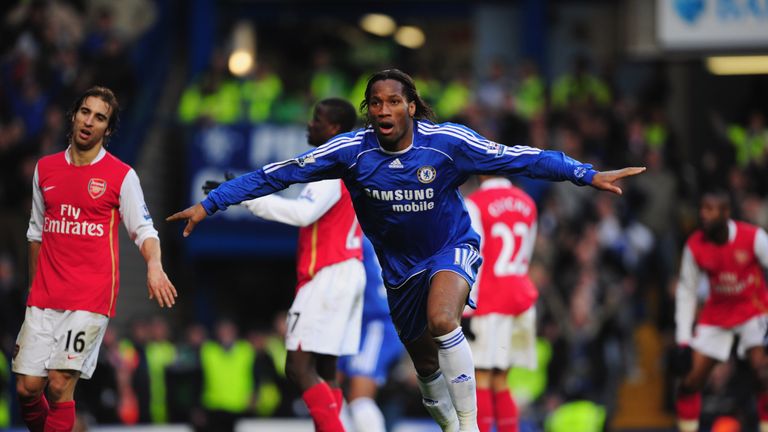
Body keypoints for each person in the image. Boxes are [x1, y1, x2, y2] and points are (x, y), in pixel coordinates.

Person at [168, 68, 644, 432]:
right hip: (399, 275)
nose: (382, 110)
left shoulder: (447, 144)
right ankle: (451, 422)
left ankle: (470, 427)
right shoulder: (351, 152)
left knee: (443, 322)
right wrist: (211, 204)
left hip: (452, 249)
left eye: (393, 101)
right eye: (375, 103)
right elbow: (279, 173)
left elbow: (521, 156)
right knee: (426, 370)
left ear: (411, 107)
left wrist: (586, 173)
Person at [12, 86, 177, 432]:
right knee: (27, 389)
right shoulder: (45, 170)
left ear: (108, 129)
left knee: (58, 383)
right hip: (44, 297)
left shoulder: (121, 176)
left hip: (89, 297)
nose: (89, 121)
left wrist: (154, 264)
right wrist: (32, 292)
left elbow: (145, 230)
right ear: (74, 115)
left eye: (100, 117)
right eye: (85, 112)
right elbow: (36, 234)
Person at [205, 97, 365, 431]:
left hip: (329, 273)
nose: (310, 124)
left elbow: (301, 213)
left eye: (316, 118)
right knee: (326, 370)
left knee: (297, 366)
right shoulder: (353, 165)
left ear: (334, 128)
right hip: (350, 269)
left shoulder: (329, 168)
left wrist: (246, 197)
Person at [673, 190, 768, 432]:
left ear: (725, 213)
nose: (703, 215)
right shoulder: (695, 245)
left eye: (710, 209)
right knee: (689, 382)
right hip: (718, 313)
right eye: (701, 209)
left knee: (764, 374)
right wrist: (683, 339)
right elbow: (686, 291)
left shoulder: (754, 237)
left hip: (754, 310)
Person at [464, 175, 539, 432]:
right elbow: (527, 252)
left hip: (489, 301)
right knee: (502, 381)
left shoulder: (475, 204)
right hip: (520, 298)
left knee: (482, 378)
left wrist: (466, 309)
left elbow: (475, 257)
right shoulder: (527, 202)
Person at [337, 237, 405, 432]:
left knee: (359, 399)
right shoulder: (388, 228)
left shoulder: (359, 234)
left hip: (377, 322)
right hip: (360, 322)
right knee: (330, 390)